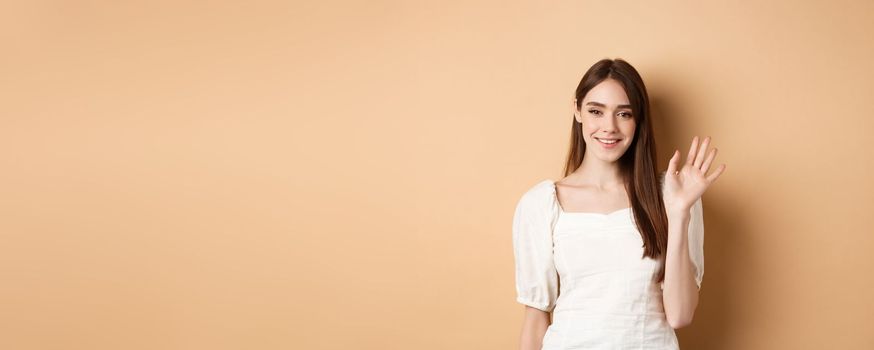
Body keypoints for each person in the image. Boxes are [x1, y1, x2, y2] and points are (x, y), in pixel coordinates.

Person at [512, 58, 726, 350]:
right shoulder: (541, 204)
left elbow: (680, 314)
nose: (609, 127)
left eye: (624, 114)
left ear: (638, 121)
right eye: (596, 111)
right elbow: (535, 321)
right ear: (577, 111)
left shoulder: (673, 194)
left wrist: (679, 214)